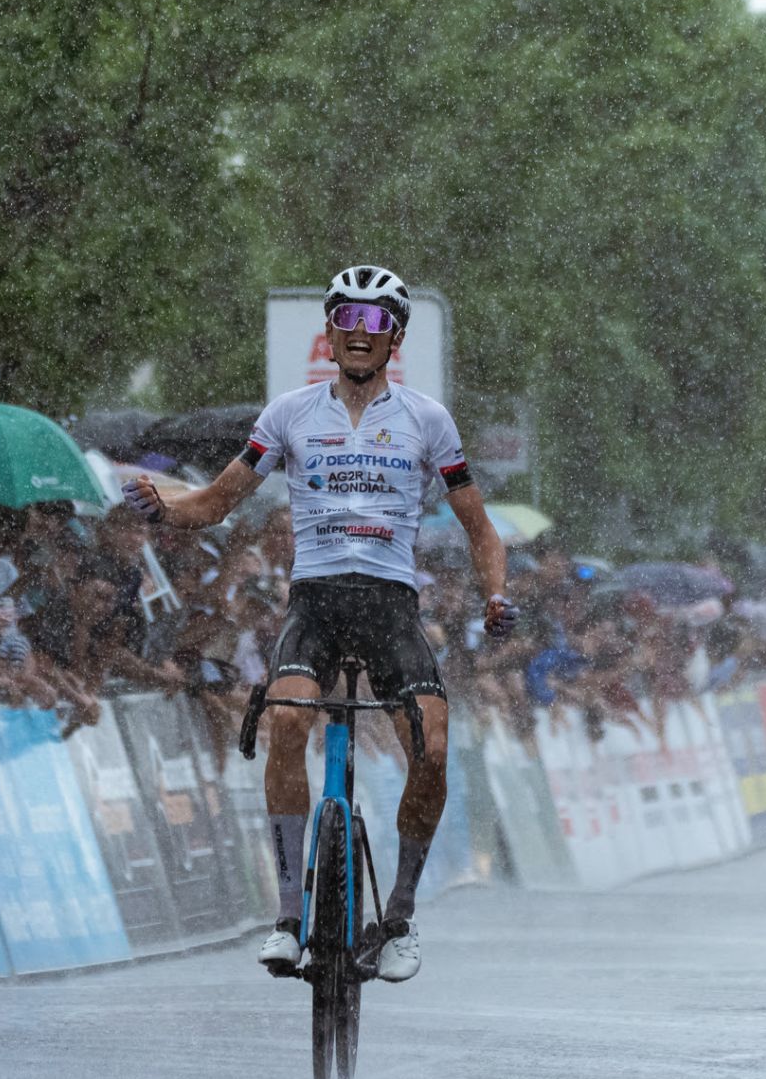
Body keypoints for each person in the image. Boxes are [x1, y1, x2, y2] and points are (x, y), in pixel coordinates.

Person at [122, 265, 518, 982]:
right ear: (330, 330)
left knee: (432, 749)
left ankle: (397, 918)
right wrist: (165, 508)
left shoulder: (429, 421)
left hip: (391, 604)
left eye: (376, 324)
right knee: (291, 720)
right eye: (348, 320)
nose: (360, 335)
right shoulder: (290, 414)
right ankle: (285, 916)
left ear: (394, 338)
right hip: (316, 604)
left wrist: (495, 595)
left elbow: (480, 528)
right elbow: (215, 502)